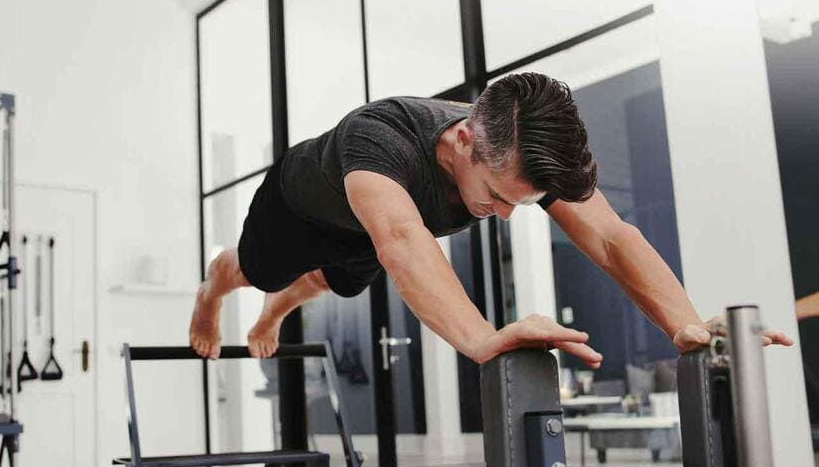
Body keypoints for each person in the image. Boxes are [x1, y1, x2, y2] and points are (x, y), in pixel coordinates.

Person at [189, 72, 792, 363]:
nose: (504, 217)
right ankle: (214, 288)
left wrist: (683, 325)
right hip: (300, 207)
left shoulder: (518, 148)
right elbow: (401, 238)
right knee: (259, 272)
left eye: (518, 204)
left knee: (335, 279)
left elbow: (609, 236)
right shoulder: (379, 140)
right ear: (463, 139)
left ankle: (280, 307)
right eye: (499, 197)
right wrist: (482, 337)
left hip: (366, 235)